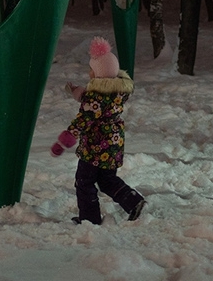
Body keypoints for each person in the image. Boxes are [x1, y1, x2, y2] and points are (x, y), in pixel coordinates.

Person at [50, 36, 145, 225]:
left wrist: (64, 140)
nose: (90, 73)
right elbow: (96, 102)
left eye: (92, 71)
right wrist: (79, 92)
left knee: (84, 182)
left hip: (95, 148)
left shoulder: (94, 100)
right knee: (107, 180)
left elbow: (84, 119)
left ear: (97, 74)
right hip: (113, 145)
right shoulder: (116, 92)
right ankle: (133, 201)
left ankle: (89, 218)